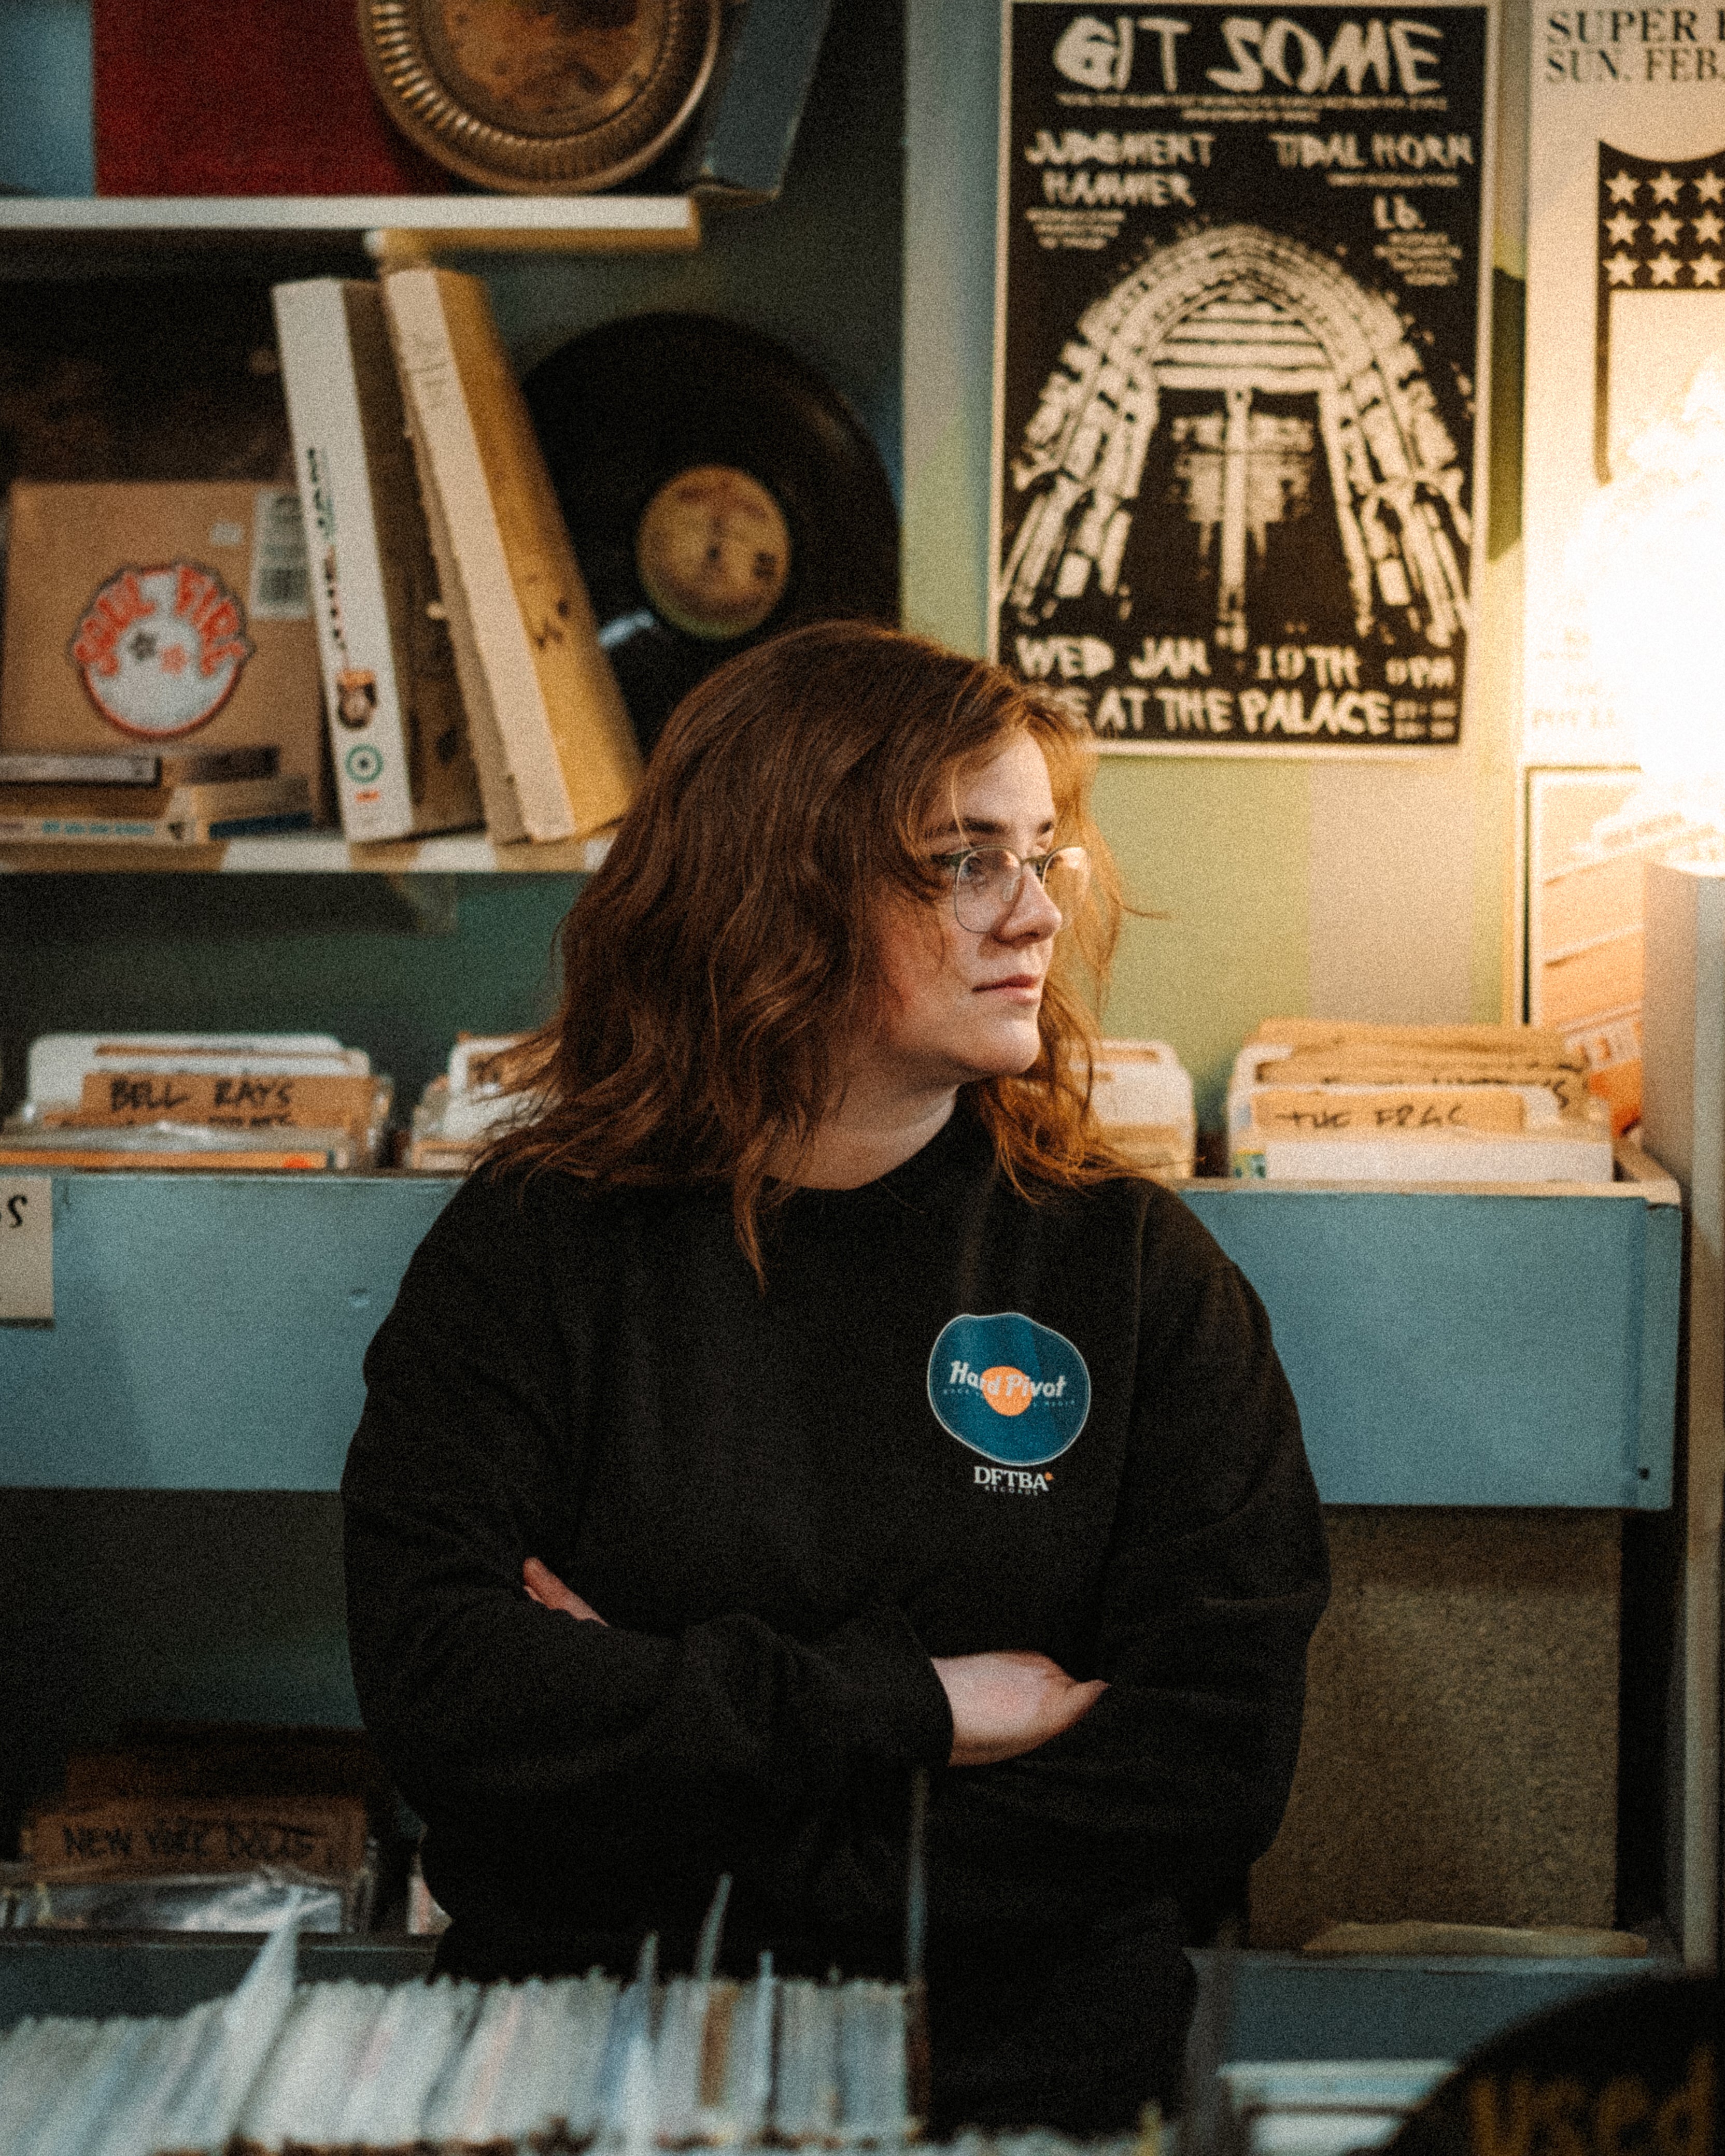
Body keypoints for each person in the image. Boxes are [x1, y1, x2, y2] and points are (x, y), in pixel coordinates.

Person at [342, 620, 1330, 2134]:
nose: (1035, 917)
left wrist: (666, 1784)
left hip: (1011, 2077)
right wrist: (923, 1708)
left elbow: (1204, 1766)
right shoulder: (539, 1244)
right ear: (773, 894)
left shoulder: (1131, 1274)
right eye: (961, 862)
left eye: (1042, 854)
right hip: (594, 2069)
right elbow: (452, 1694)